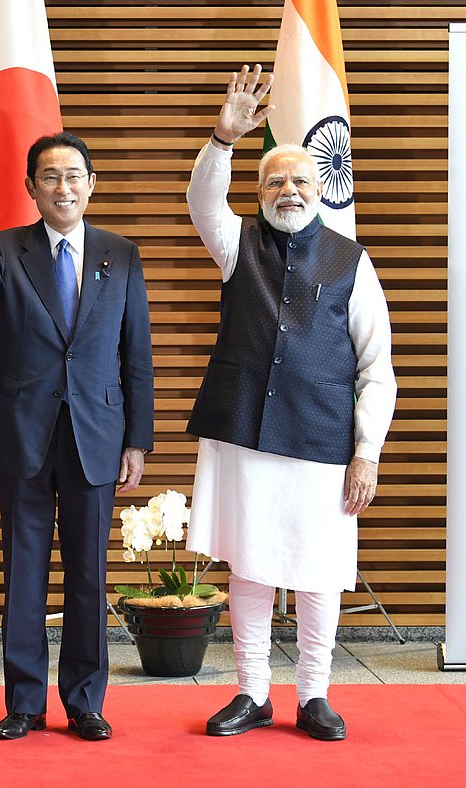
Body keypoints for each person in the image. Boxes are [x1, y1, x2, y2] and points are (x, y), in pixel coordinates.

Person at [185, 66, 397, 741]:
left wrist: (366, 453)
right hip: (244, 433)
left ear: (322, 189)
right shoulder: (234, 244)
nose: (288, 190)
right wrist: (224, 138)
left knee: (316, 571)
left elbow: (377, 366)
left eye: (301, 179)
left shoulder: (352, 262)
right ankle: (251, 692)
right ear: (258, 192)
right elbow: (200, 201)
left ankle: (313, 695)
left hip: (322, 441)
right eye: (274, 180)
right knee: (247, 566)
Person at [0, 133, 154, 741]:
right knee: (25, 573)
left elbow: (135, 354)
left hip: (97, 435)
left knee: (89, 575)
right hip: (23, 434)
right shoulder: (6, 248)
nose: (62, 187)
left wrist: (136, 440)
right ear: (32, 188)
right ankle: (24, 703)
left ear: (91, 184)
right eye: (49, 177)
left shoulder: (122, 254)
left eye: (73, 176)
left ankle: (85, 700)